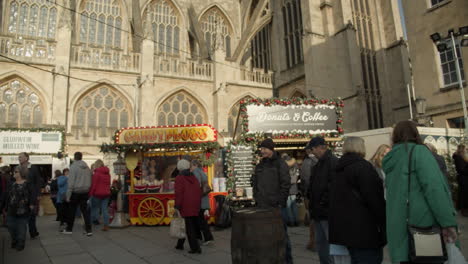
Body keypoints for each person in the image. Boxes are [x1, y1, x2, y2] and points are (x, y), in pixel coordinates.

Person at [383, 120, 457, 264]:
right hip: (423, 227)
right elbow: (435, 190)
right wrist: (447, 222)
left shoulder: (391, 158)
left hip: (398, 227)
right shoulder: (419, 152)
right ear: (415, 134)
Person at [329, 137, 386, 264]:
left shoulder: (338, 169)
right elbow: (375, 199)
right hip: (364, 231)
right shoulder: (363, 167)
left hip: (343, 230)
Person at [252, 138, 292, 264]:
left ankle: (287, 261)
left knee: (282, 236)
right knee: (266, 237)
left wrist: (280, 202)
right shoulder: (260, 165)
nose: (261, 151)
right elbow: (256, 184)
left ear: (270, 149)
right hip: (262, 206)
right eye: (261, 149)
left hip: (276, 206)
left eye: (264, 148)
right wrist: (256, 197)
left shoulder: (280, 164)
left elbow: (286, 184)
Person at [307, 136, 338, 264]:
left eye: (313, 149)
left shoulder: (332, 162)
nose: (312, 152)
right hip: (318, 213)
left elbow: (333, 187)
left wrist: (322, 203)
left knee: (330, 245)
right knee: (321, 245)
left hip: (327, 213)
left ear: (320, 148)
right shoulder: (318, 164)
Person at [0, 166, 37, 251]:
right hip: (11, 210)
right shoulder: (11, 183)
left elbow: (33, 194)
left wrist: (31, 204)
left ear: (21, 173)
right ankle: (14, 240)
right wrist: (2, 206)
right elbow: (5, 195)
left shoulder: (28, 184)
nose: (14, 173)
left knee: (21, 228)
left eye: (16, 172)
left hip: (23, 211)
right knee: (10, 227)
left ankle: (20, 243)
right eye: (14, 172)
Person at [175, 159, 202, 254]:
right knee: (189, 225)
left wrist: (177, 206)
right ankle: (179, 244)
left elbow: (179, 193)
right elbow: (198, 191)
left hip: (185, 205)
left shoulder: (179, 178)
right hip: (194, 204)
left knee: (188, 227)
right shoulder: (193, 176)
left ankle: (195, 248)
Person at [62, 152, 93, 236]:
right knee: (85, 211)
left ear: (75, 158)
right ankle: (88, 230)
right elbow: (91, 179)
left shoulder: (73, 167)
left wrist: (68, 195)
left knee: (72, 211)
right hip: (85, 191)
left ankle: (69, 229)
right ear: (81, 157)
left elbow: (71, 182)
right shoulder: (87, 167)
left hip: (76, 191)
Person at [18, 152, 42, 239]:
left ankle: (33, 232)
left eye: (21, 157)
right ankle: (22, 233)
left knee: (32, 214)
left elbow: (38, 181)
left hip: (32, 194)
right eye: (19, 157)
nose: (19, 158)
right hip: (21, 194)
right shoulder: (17, 168)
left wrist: (38, 193)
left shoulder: (33, 167)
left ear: (26, 158)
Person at [191, 159, 214, 245]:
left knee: (200, 220)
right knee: (201, 220)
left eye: (191, 166)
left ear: (195, 165)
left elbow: (197, 185)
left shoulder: (196, 172)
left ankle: (207, 238)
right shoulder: (202, 172)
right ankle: (205, 237)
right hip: (204, 200)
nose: (191, 168)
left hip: (199, 200)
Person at [301, 146, 318, 251]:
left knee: (313, 219)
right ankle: (314, 243)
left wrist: (305, 194)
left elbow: (305, 180)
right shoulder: (315, 161)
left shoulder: (307, 161)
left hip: (310, 193)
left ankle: (313, 242)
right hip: (314, 193)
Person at [89, 159, 111, 231]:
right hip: (106, 194)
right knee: (105, 209)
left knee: (94, 208)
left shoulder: (96, 173)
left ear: (97, 165)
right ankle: (106, 225)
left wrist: (90, 194)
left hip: (97, 194)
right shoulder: (108, 174)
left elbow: (94, 185)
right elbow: (108, 184)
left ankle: (93, 222)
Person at [453, 144, 468, 215]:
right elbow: (462, 169)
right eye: (465, 149)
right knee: (464, 194)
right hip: (463, 178)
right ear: (462, 150)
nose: (466, 150)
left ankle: (460, 207)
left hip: (464, 178)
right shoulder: (459, 158)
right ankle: (464, 210)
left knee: (462, 193)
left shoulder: (460, 157)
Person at [285, 156, 299, 227]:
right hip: (294, 188)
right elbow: (297, 175)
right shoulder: (295, 166)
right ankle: (296, 221)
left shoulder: (285, 167)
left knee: (288, 206)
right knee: (294, 205)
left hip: (287, 189)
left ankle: (291, 221)